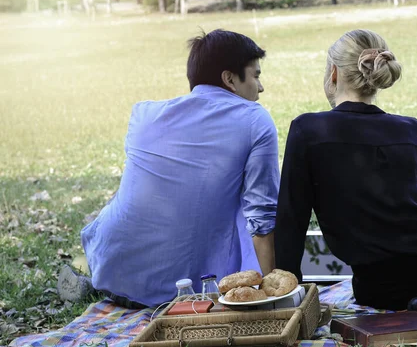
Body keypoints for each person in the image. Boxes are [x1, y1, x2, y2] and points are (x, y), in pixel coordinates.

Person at [58, 30, 279, 308]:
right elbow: (263, 217)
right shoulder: (255, 120)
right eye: (256, 76)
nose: (261, 88)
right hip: (191, 293)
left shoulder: (144, 114)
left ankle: (87, 275)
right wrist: (273, 296)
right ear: (230, 79)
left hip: (113, 276)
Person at [274, 29, 417, 311]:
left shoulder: (308, 130)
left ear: (333, 74)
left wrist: (288, 293)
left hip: (379, 285)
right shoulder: (410, 127)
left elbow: (291, 218)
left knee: (372, 293)